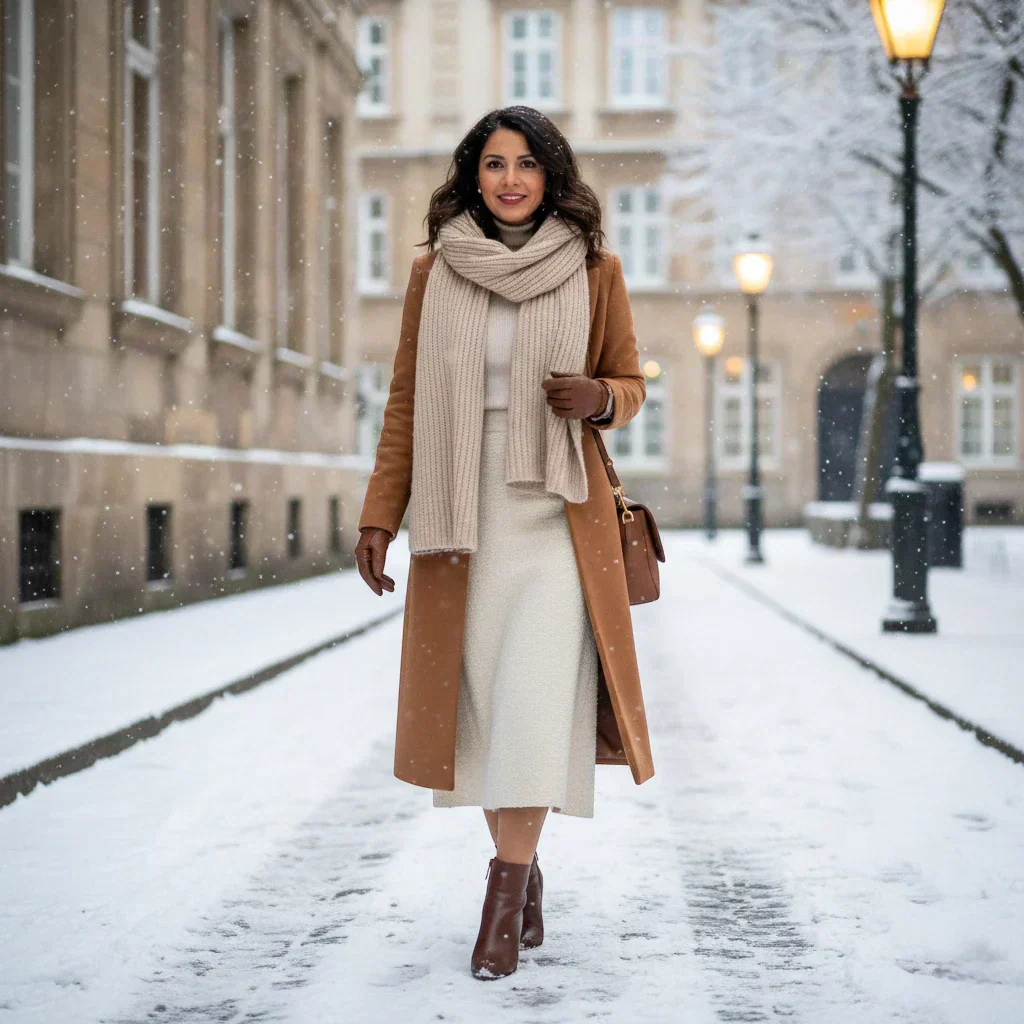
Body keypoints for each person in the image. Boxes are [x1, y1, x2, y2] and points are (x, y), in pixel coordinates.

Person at [355, 105, 654, 980]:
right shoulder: (436, 270)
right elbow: (406, 402)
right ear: (473, 175)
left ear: (551, 177)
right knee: (483, 714)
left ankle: (500, 902)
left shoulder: (594, 268)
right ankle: (522, 875)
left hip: (557, 511)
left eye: (527, 164)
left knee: (530, 705)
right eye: (495, 164)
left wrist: (600, 398)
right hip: (460, 511)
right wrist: (380, 515)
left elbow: (631, 381)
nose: (511, 179)